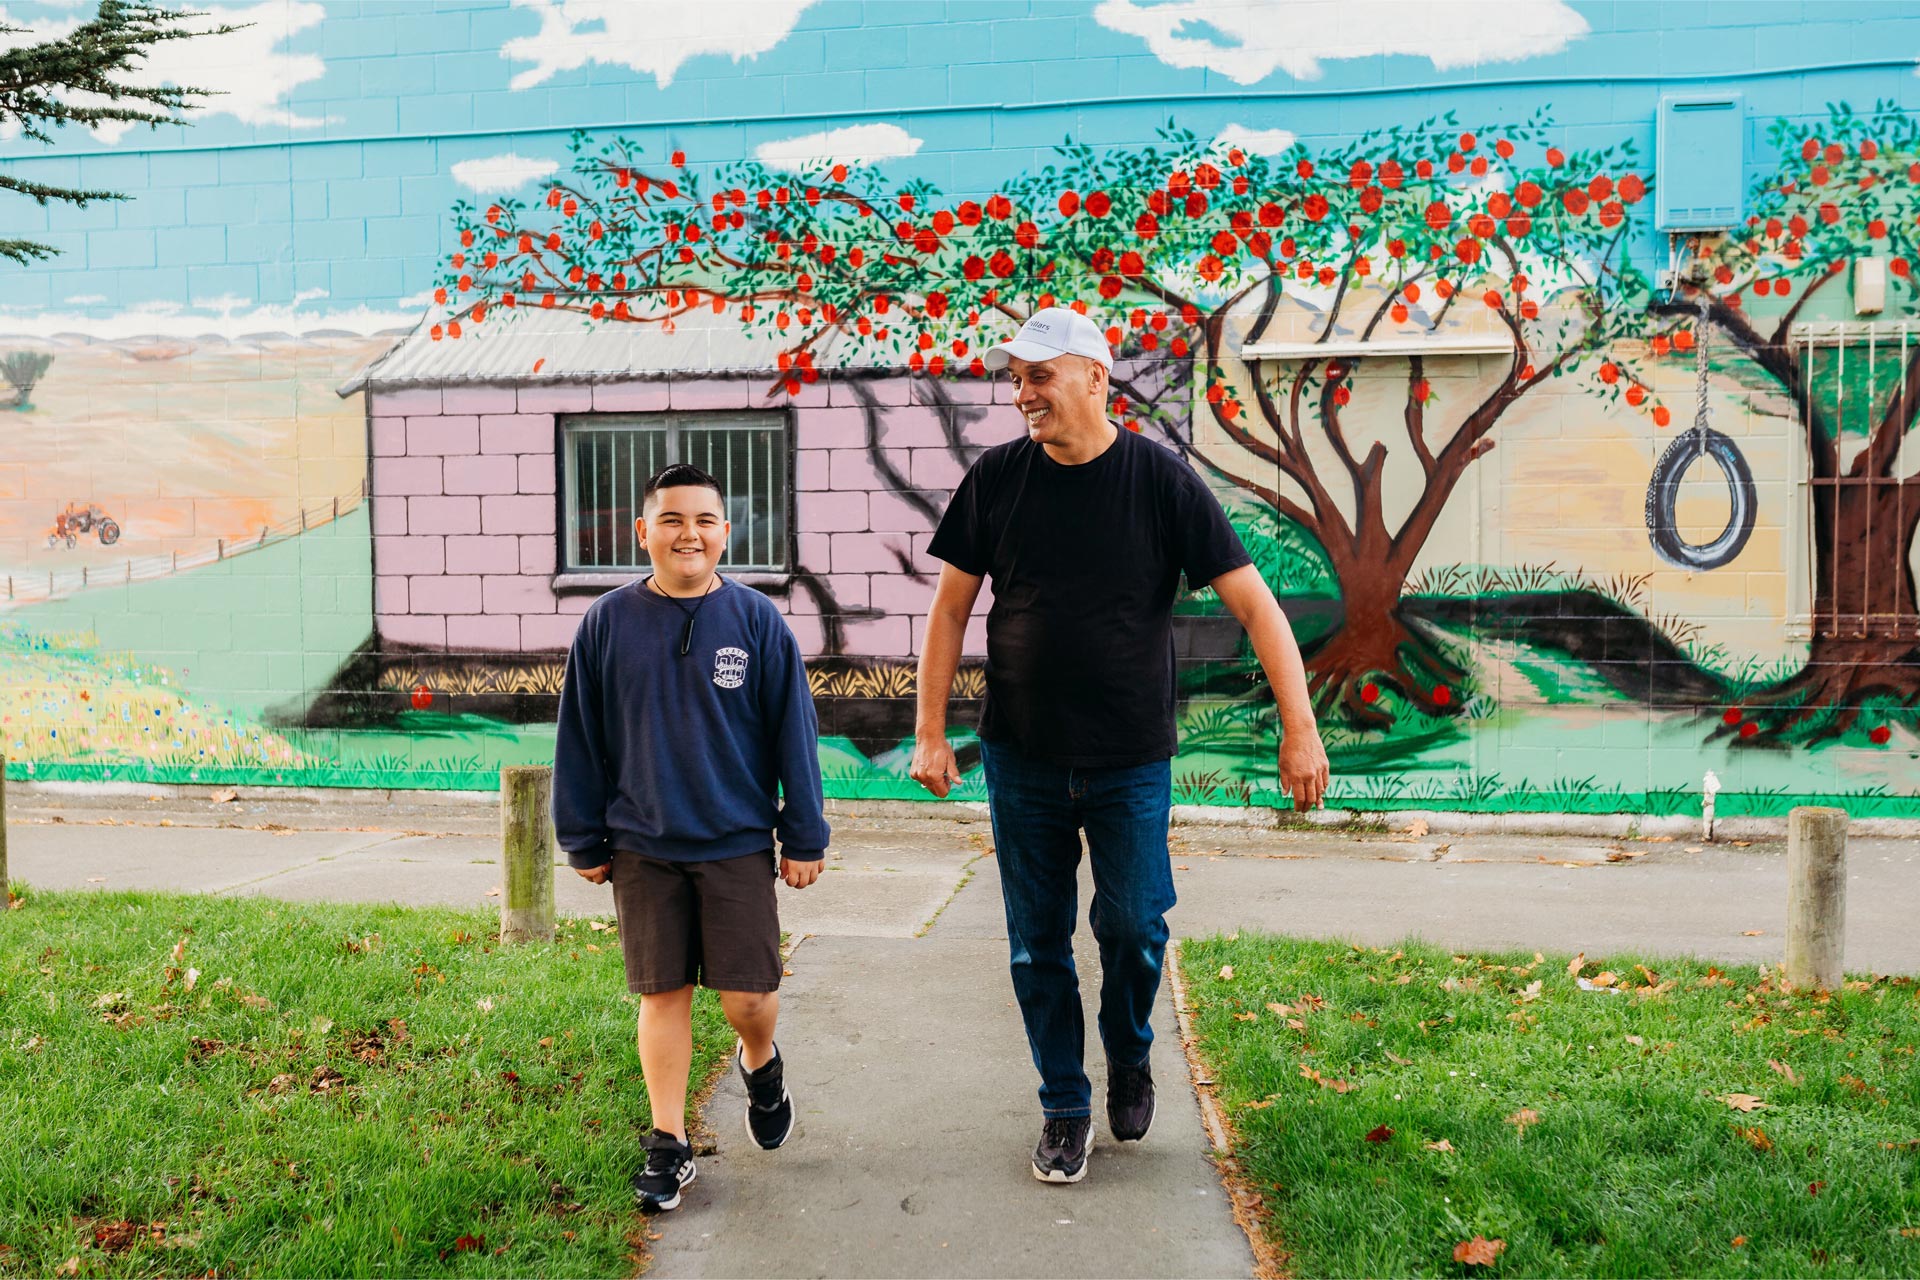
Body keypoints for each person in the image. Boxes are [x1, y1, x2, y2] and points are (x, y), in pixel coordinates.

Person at [910, 307, 1329, 1185]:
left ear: (1096, 379)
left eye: (1040, 375)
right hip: (1021, 757)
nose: (1022, 393)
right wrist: (931, 732)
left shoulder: (1160, 483)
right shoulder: (996, 480)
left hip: (1130, 761)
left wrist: (1300, 727)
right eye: (1016, 378)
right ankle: (1065, 1108)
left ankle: (1130, 1054)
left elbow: (1257, 607)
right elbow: (949, 610)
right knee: (1037, 945)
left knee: (1133, 926)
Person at [554, 462, 829, 1213]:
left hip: (736, 839)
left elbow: (793, 739)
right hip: (643, 842)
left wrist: (803, 833)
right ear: (643, 533)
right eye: (672, 520)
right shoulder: (608, 623)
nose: (689, 533)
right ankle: (669, 1144)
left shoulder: (758, 623)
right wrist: (581, 836)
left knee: (749, 997)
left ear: (726, 533)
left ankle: (760, 1062)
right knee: (661, 992)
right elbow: (580, 738)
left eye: (704, 520)